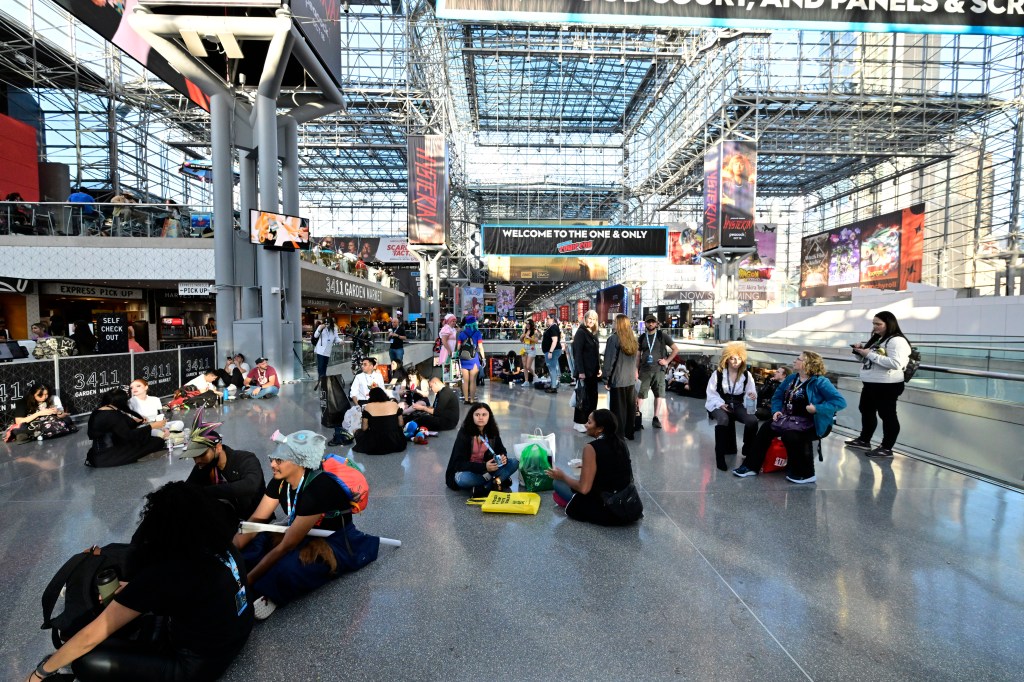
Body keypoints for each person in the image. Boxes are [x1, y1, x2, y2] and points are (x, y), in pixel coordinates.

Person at [25, 481, 253, 682]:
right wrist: (134, 592)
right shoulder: (221, 545)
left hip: (195, 667)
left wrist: (40, 672)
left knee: (86, 660)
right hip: (237, 635)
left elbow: (91, 635)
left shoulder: (166, 572)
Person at [235, 430, 381, 620]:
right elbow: (255, 522)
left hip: (331, 540)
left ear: (299, 463)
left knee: (288, 569)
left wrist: (249, 581)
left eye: (279, 460)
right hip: (297, 530)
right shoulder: (280, 482)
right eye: (273, 458)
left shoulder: (318, 488)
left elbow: (287, 546)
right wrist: (230, 554)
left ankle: (268, 594)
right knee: (256, 543)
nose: (272, 464)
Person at [733, 351, 847, 484]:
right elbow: (778, 396)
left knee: (792, 435)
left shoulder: (820, 382)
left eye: (798, 359)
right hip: (789, 419)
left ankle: (806, 473)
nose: (794, 361)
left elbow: (840, 402)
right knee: (766, 428)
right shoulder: (792, 378)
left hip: (812, 423)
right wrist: (775, 410)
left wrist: (817, 408)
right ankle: (751, 466)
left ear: (808, 364)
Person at [545, 409, 639, 526]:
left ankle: (573, 502)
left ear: (600, 428)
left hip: (608, 510)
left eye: (589, 422)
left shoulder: (591, 448)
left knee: (557, 484)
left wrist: (562, 476)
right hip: (627, 505)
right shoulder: (620, 442)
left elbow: (584, 488)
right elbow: (615, 467)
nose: (585, 425)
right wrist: (587, 465)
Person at [845, 311, 912, 458]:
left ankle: (886, 447)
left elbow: (896, 363)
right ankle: (864, 440)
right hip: (872, 383)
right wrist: (860, 352)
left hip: (887, 385)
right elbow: (868, 361)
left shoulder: (896, 341)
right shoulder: (878, 339)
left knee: (887, 415)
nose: (875, 327)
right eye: (873, 323)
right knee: (866, 410)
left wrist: (869, 354)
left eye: (878, 324)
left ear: (889, 324)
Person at [182, 410, 266, 520]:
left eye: (202, 454)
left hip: (255, 521)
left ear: (218, 447)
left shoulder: (246, 459)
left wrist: (206, 491)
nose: (197, 461)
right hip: (225, 520)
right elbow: (187, 490)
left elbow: (251, 485)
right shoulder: (203, 465)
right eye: (194, 456)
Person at [444, 402, 519, 496]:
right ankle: (498, 481)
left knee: (515, 462)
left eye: (484, 415)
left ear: (489, 416)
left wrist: (503, 457)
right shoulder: (465, 433)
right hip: (468, 471)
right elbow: (458, 464)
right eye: (477, 415)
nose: (480, 417)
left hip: (488, 470)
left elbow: (501, 450)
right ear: (472, 417)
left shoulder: (492, 431)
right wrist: (484, 467)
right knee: (465, 479)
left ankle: (485, 487)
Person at [705, 341, 759, 471]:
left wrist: (751, 396)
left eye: (739, 359)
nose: (736, 361)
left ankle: (747, 449)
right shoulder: (718, 374)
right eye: (733, 358)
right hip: (719, 402)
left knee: (752, 421)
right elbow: (711, 393)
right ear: (727, 359)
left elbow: (750, 391)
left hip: (738, 404)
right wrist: (720, 404)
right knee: (723, 419)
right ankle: (720, 456)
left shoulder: (746, 375)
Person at [85, 389, 167, 467]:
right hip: (109, 456)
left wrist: (138, 422)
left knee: (147, 438)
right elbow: (128, 435)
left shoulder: (96, 412)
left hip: (96, 455)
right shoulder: (114, 415)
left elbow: (114, 428)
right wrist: (152, 426)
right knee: (157, 441)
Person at [636, 315, 679, 429]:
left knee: (659, 394)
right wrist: (636, 369)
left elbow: (675, 349)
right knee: (640, 394)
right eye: (648, 322)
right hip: (644, 370)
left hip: (659, 370)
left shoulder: (662, 336)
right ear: (645, 323)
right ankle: (637, 418)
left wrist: (667, 361)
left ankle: (655, 418)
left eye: (652, 322)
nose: (650, 324)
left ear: (656, 323)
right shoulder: (642, 337)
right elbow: (637, 355)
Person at [602, 314, 639, 441]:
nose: (612, 324)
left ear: (618, 324)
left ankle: (618, 435)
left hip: (618, 379)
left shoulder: (614, 339)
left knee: (618, 410)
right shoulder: (633, 339)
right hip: (630, 380)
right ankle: (630, 432)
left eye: (614, 322)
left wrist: (606, 379)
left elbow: (609, 361)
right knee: (630, 407)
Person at [5, 383, 77, 443]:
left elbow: (62, 415)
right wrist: (39, 413)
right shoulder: (23, 402)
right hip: (32, 424)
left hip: (48, 422)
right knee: (20, 427)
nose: (44, 397)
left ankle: (31, 436)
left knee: (67, 419)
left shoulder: (51, 398)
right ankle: (34, 434)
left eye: (46, 394)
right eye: (40, 395)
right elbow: (19, 421)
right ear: (33, 394)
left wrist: (57, 412)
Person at [352, 387, 407, 456]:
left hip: (376, 443)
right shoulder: (394, 404)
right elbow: (401, 424)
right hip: (395, 441)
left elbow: (364, 428)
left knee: (356, 431)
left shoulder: (368, 406)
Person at [571, 310, 602, 432]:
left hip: (593, 372)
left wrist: (599, 367)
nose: (592, 321)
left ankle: (588, 421)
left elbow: (596, 353)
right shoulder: (580, 333)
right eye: (590, 319)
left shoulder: (593, 334)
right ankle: (579, 422)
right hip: (584, 372)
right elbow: (577, 354)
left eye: (594, 319)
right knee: (582, 397)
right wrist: (581, 371)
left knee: (591, 397)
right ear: (585, 318)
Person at [456, 316, 485, 404]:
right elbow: (480, 347)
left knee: (465, 381)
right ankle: (472, 400)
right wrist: (483, 358)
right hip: (474, 359)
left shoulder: (462, 333)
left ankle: (466, 399)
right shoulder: (477, 333)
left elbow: (458, 348)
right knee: (473, 381)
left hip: (463, 359)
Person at [313, 317, 340, 387]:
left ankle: (323, 378)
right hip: (320, 350)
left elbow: (336, 338)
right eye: (325, 322)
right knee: (320, 365)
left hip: (327, 350)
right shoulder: (321, 327)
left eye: (328, 322)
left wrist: (340, 341)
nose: (326, 324)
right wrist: (320, 328)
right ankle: (321, 379)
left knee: (324, 365)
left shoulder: (334, 329)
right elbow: (315, 336)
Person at [541, 312, 562, 393]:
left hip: (553, 351)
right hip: (553, 350)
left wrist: (550, 352)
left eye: (548, 318)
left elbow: (555, 340)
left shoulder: (553, 328)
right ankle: (553, 385)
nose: (546, 320)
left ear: (552, 319)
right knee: (552, 369)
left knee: (552, 369)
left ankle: (553, 387)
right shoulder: (552, 327)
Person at [520, 318, 539, 384]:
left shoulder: (535, 331)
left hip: (531, 349)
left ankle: (534, 375)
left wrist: (530, 338)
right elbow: (521, 341)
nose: (527, 325)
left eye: (528, 324)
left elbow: (536, 341)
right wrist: (521, 337)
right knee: (524, 366)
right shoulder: (525, 330)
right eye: (526, 324)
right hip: (524, 349)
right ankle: (526, 381)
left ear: (531, 324)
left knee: (528, 366)